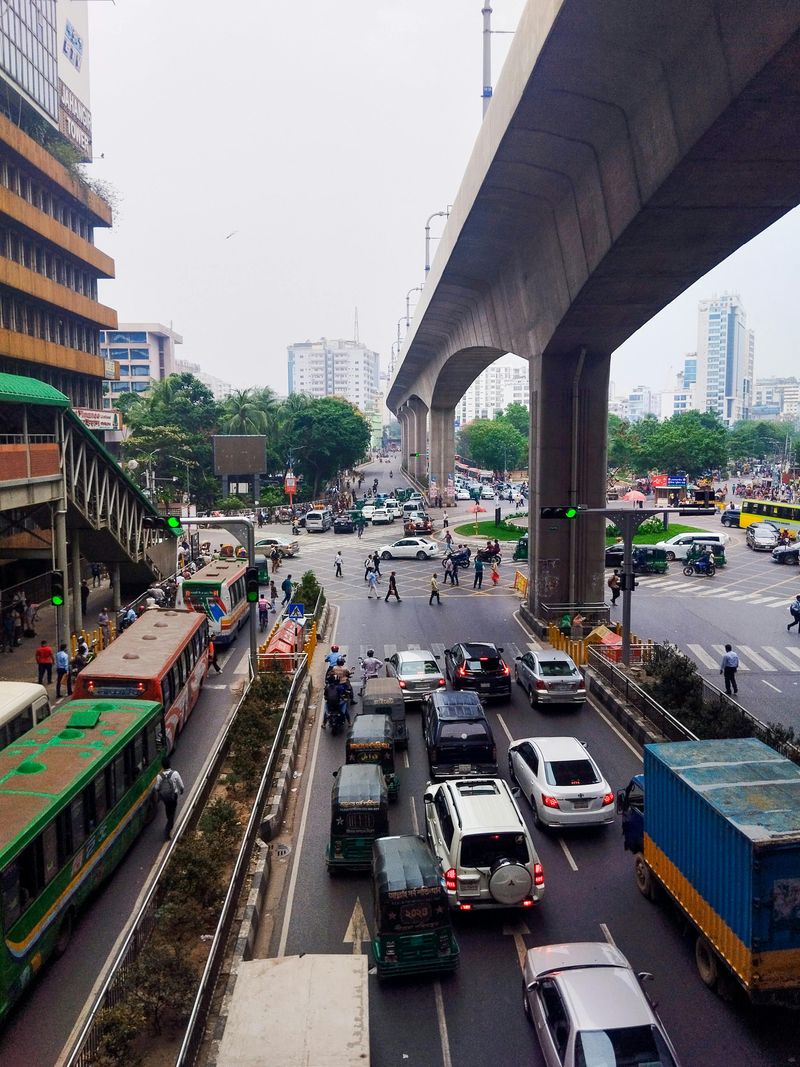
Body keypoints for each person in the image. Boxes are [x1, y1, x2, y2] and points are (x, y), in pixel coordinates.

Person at [155, 757, 185, 840]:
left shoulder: (159, 776)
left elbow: (157, 787)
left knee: (168, 810)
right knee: (172, 811)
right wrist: (181, 790)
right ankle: (167, 830)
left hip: (165, 797)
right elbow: (181, 785)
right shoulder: (175, 773)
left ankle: (169, 821)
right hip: (173, 796)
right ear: (169, 764)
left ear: (162, 766)